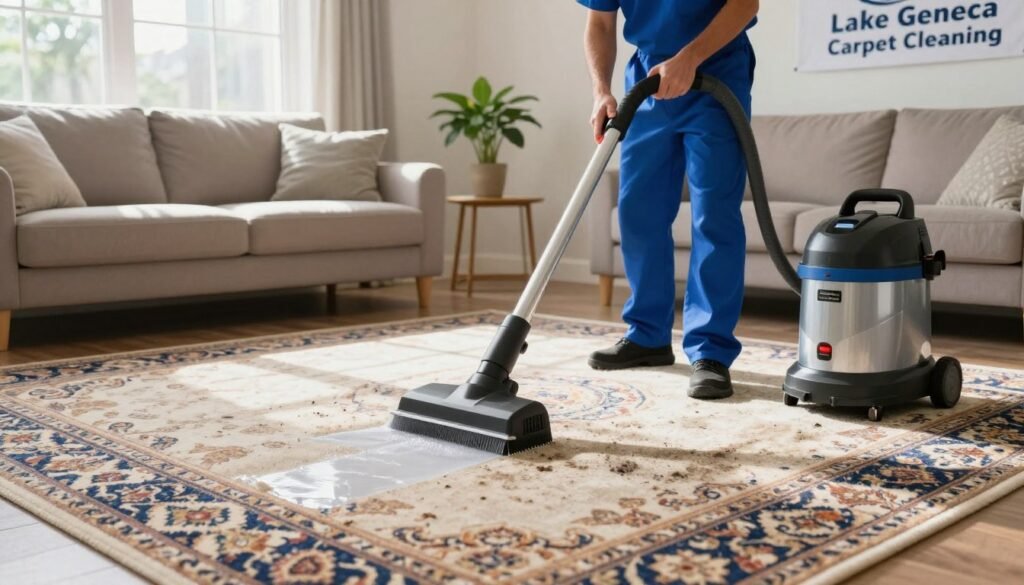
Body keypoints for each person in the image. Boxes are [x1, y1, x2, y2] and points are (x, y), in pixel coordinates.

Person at [579, 0, 760, 399]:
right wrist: (601, 90)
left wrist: (689, 57)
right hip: (646, 78)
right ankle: (647, 336)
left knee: (713, 215)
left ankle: (710, 351)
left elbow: (746, 4)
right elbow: (600, 24)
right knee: (637, 212)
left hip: (717, 69)